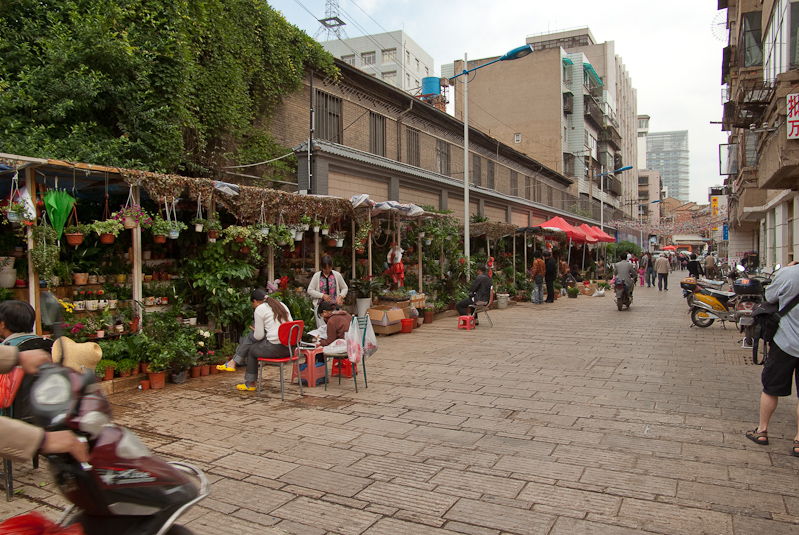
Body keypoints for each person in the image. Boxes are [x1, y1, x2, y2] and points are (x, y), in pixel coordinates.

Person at [0, 301, 89, 464]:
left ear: (2, 325)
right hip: (42, 412)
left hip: (9, 416)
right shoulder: (48, 346)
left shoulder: (7, 348)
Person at [745, 261, 799, 456]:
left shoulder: (788, 274)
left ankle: (762, 431)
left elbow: (769, 296)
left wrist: (788, 269)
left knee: (770, 389)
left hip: (785, 343)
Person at [217, 290, 293, 392]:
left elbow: (258, 336)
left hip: (277, 348)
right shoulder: (280, 304)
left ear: (255, 301)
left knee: (252, 350)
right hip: (291, 347)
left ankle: (250, 382)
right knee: (252, 337)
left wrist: (256, 332)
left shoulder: (260, 309)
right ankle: (233, 362)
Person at [307, 255, 348, 329]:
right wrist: (322, 295)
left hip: (334, 307)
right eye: (325, 268)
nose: (327, 270)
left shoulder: (337, 275)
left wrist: (340, 297)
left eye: (329, 268)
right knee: (322, 329)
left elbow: (344, 287)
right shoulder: (317, 276)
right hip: (321, 309)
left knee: (335, 328)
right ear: (322, 267)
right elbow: (310, 290)